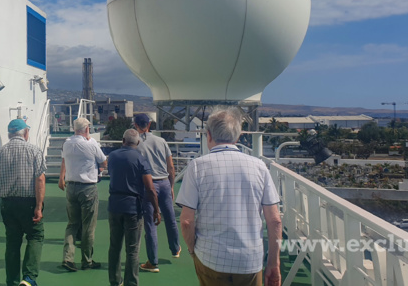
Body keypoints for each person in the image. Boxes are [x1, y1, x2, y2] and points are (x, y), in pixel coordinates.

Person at [176, 108, 283, 286]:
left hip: (210, 258)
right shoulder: (259, 167)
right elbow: (275, 221)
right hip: (249, 261)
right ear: (238, 136)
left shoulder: (197, 167)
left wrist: (193, 250)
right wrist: (274, 263)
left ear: (209, 135)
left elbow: (187, 221)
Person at [0, 118, 47, 286]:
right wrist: (39, 206)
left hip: (8, 204)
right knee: (35, 236)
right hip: (29, 203)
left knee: (12, 242)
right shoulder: (34, 151)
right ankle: (29, 278)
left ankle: (12, 281)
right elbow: (40, 179)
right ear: (26, 133)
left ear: (10, 134)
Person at [107, 129, 160, 286]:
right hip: (133, 208)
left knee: (114, 246)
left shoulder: (112, 156)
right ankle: (131, 282)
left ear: (123, 140)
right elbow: (150, 188)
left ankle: (115, 280)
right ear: (137, 142)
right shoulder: (141, 159)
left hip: (114, 205)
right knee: (132, 250)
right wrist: (156, 210)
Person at [133, 113, 181, 273]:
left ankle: (153, 262)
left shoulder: (137, 144)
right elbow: (171, 166)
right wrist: (171, 186)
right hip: (164, 182)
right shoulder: (161, 141)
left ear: (136, 125)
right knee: (170, 217)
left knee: (150, 224)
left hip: (148, 186)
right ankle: (175, 249)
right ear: (149, 125)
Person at [58, 118, 107, 272]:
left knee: (72, 224)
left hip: (71, 187)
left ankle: (68, 258)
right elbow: (104, 162)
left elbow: (65, 160)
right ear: (86, 129)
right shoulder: (91, 144)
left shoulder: (67, 143)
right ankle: (87, 260)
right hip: (87, 188)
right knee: (88, 226)